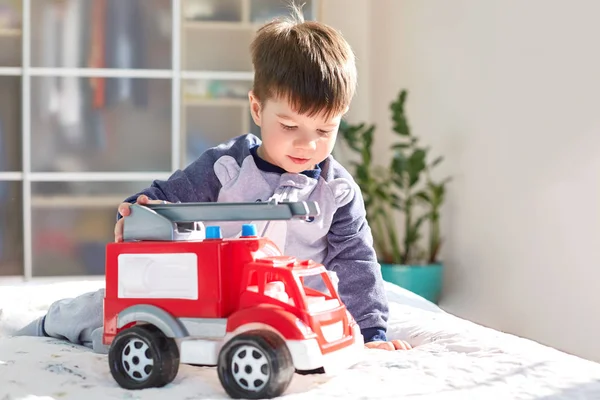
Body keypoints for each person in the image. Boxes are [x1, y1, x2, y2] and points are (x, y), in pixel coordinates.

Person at [16, 5, 411, 352]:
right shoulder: (226, 167)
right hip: (211, 294)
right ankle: (53, 322)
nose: (307, 144)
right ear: (257, 108)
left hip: (291, 306)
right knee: (114, 314)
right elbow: (166, 198)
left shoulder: (337, 192)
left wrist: (371, 332)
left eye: (325, 130)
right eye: (289, 125)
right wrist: (139, 208)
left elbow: (356, 261)